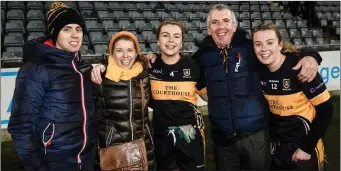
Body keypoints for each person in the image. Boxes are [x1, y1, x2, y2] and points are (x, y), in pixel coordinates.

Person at [190, 4, 323, 170]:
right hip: (223, 140)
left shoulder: (250, 48)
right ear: (209, 29)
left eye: (225, 21)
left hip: (256, 136)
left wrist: (311, 55)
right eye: (215, 22)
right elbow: (182, 69)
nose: (221, 27)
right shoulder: (201, 56)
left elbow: (280, 52)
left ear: (234, 25)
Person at [91, 19, 207, 170]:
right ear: (158, 41)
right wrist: (102, 66)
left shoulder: (193, 67)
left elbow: (208, 96)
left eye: (176, 36)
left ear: (182, 41)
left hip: (190, 136)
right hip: (160, 137)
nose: (171, 40)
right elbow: (122, 66)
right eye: (165, 35)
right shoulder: (148, 68)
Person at [7, 2, 96, 170]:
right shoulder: (35, 69)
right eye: (67, 29)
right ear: (55, 34)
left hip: (85, 160)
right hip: (53, 162)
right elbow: (20, 126)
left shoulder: (83, 68)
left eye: (78, 29)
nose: (75, 35)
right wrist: (37, 167)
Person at [252, 23, 333, 171]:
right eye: (258, 44)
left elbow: (326, 110)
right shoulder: (258, 70)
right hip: (276, 150)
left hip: (303, 149)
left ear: (280, 44)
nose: (264, 49)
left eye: (270, 42)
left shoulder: (301, 68)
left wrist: (306, 148)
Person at [92, 31, 156, 170]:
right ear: (112, 53)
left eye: (130, 50)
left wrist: (154, 57)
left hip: (143, 147)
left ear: (136, 53)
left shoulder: (144, 75)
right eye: (119, 50)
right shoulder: (100, 77)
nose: (125, 56)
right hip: (113, 151)